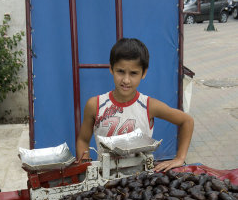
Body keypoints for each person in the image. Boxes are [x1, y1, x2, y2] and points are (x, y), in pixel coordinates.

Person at [76, 38, 194, 172]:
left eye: (133, 73)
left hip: (140, 182)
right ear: (111, 69)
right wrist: (85, 165)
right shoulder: (95, 104)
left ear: (144, 73)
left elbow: (187, 121)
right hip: (105, 180)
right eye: (120, 71)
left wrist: (179, 158)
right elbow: (83, 140)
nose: (126, 80)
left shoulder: (149, 105)